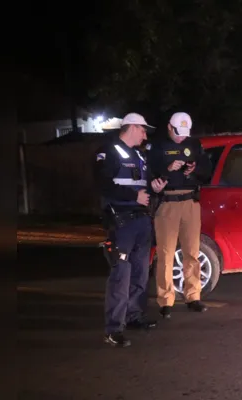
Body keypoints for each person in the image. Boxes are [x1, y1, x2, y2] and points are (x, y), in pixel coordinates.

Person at [93, 112, 168, 347]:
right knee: (121, 275)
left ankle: (134, 316)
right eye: (143, 130)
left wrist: (154, 187)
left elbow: (142, 187)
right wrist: (134, 195)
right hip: (121, 221)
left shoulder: (139, 155)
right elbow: (103, 184)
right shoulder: (109, 152)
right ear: (132, 128)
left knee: (140, 272)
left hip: (141, 220)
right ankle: (113, 329)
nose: (145, 135)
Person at [147, 112, 211, 319]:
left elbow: (207, 171)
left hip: (191, 202)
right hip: (167, 203)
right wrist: (167, 168)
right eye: (178, 133)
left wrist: (194, 169)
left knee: (192, 251)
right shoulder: (157, 146)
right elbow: (149, 172)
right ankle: (166, 300)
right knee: (165, 254)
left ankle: (193, 296)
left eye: (185, 133)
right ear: (169, 127)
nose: (182, 138)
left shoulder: (194, 144)